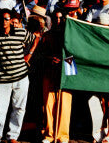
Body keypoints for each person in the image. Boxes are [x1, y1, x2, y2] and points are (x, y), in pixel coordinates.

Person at [0, 9, 37, 143]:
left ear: (10, 20)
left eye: (7, 19)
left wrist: (29, 54)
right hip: (2, 79)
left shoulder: (20, 32)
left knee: (19, 108)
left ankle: (13, 136)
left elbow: (35, 39)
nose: (4, 22)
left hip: (21, 77)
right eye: (2, 19)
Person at [39, 11, 71, 143]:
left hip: (65, 74)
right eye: (55, 18)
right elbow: (40, 55)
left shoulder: (70, 36)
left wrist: (65, 62)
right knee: (48, 104)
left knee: (64, 105)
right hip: (49, 72)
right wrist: (49, 59)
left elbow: (74, 54)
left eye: (60, 18)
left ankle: (62, 135)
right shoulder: (47, 35)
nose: (58, 21)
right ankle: (49, 134)